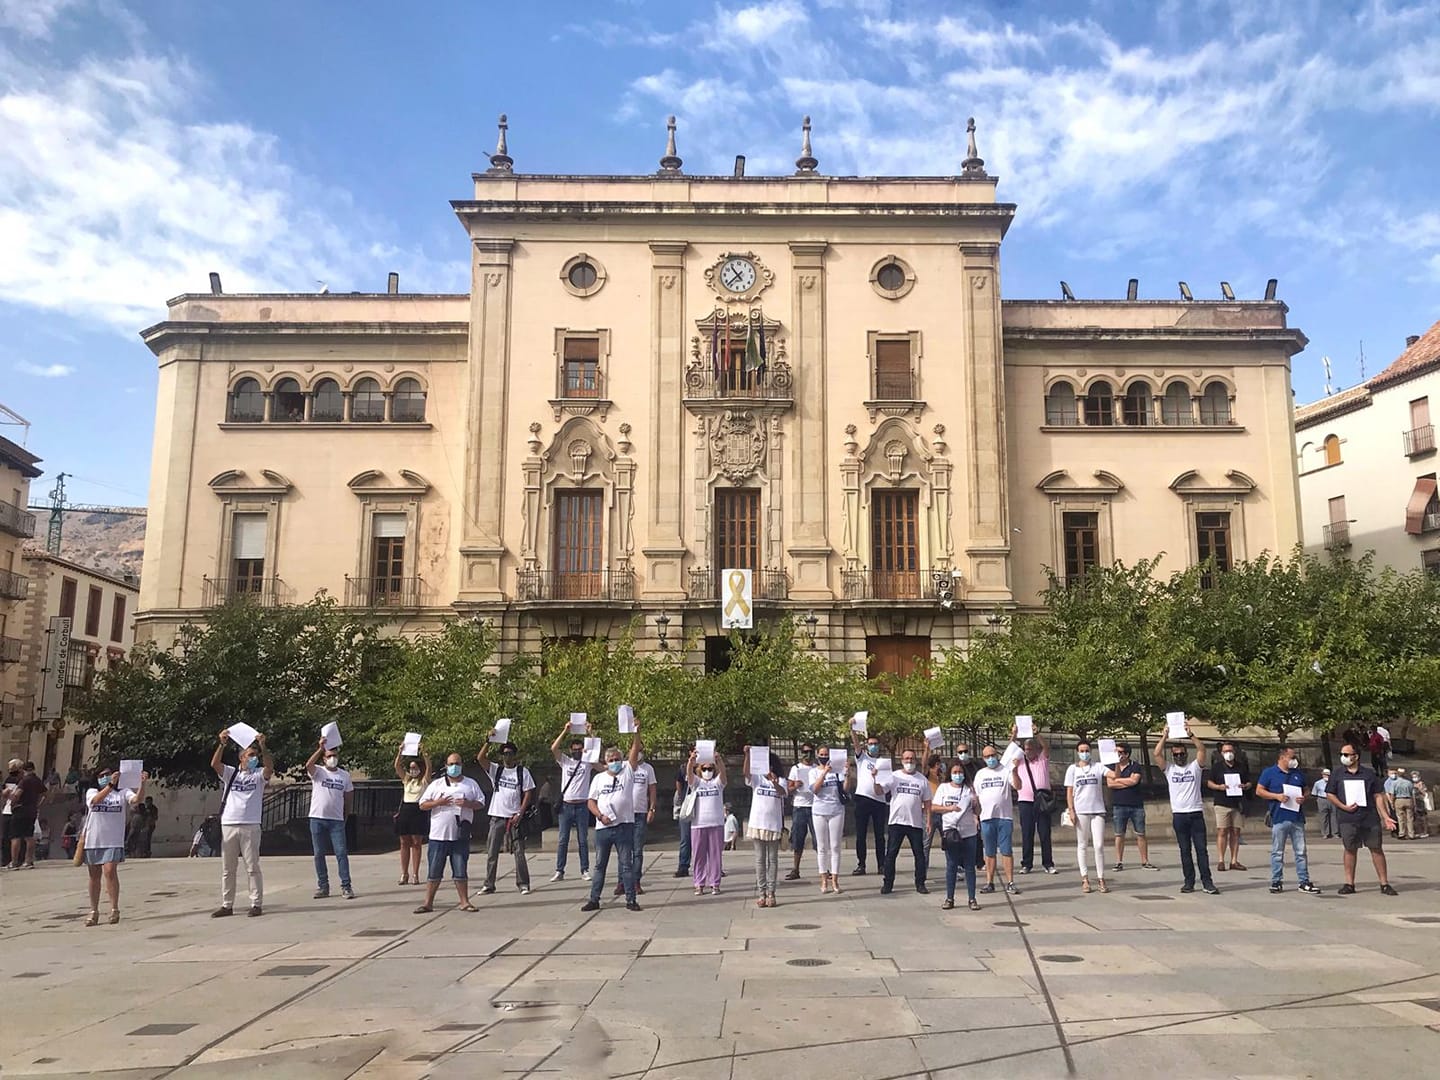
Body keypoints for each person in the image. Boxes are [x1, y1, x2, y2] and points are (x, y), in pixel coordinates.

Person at [210, 729, 273, 918]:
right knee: (228, 868)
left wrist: (263, 747)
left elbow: (269, 768)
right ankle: (227, 904)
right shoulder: (231, 774)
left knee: (252, 866)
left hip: (251, 824)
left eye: (255, 755)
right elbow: (215, 764)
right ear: (242, 758)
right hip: (229, 823)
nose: (254, 758)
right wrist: (222, 743)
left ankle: (256, 903)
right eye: (250, 755)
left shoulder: (259, 775)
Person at [582, 723, 644, 912]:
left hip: (624, 825)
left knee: (626, 864)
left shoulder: (627, 772)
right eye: (612, 760)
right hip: (604, 828)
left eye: (618, 759)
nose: (615, 762)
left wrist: (636, 732)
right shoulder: (599, 778)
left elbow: (635, 749)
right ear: (606, 761)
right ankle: (594, 898)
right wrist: (600, 816)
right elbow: (590, 801)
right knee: (600, 865)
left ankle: (630, 899)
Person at [1153, 719, 1219, 895]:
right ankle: (1188, 881)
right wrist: (1164, 736)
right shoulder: (1170, 770)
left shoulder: (1194, 768)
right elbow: (1157, 754)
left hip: (1195, 813)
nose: (1180, 757)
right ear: (1173, 756)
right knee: (1185, 850)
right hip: (1179, 815)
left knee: (1201, 850)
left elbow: (1202, 750)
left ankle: (1207, 881)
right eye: (1176, 755)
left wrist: (1190, 734)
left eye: (1182, 754)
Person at [414, 753, 486, 913]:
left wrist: (467, 804)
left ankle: (464, 902)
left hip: (459, 835)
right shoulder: (437, 784)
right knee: (434, 871)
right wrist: (438, 803)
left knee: (460, 869)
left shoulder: (470, 784)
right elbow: (422, 804)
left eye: (457, 763)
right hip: (438, 836)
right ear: (446, 766)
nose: (454, 766)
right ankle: (428, 903)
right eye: (451, 763)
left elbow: (481, 802)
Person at [80, 764, 148, 925]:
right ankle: (94, 910)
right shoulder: (92, 792)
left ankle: (114, 909)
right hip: (94, 839)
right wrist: (110, 785)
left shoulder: (122, 793)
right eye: (102, 775)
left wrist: (143, 784)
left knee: (110, 871)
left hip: (113, 840)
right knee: (94, 876)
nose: (106, 777)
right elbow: (95, 801)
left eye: (108, 774)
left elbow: (136, 800)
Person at [1327, 742, 1398, 895]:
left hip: (1369, 817)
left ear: (1356, 756)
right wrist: (1343, 806)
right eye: (1342, 755)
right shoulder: (1337, 774)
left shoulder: (1368, 774)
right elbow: (1330, 794)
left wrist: (1385, 816)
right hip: (1347, 817)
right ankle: (1349, 883)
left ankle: (1384, 883)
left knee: (1376, 849)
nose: (1343, 757)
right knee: (1350, 849)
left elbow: (1378, 795)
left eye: (1346, 754)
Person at [1255, 746, 1321, 895]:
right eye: (1291, 757)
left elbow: (1307, 789)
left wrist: (1304, 796)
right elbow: (1259, 790)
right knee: (1277, 851)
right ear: (1282, 757)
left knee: (1301, 851)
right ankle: (1276, 880)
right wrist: (1276, 796)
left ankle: (1304, 880)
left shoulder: (1298, 774)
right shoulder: (1269, 773)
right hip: (1279, 817)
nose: (1294, 760)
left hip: (1297, 817)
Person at [475, 738, 536, 895]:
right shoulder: (497, 770)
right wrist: (488, 741)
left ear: (515, 755)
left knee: (519, 852)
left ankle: (523, 883)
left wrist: (520, 813)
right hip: (497, 816)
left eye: (510, 754)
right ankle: (489, 884)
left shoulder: (522, 772)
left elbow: (528, 792)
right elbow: (480, 758)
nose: (507, 757)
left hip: (514, 817)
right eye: (504, 754)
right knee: (492, 852)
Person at [874, 747, 931, 896]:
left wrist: (929, 821)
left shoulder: (922, 779)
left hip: (915, 823)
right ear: (901, 760)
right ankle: (888, 883)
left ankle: (920, 883)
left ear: (916, 760)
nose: (909, 761)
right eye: (906, 759)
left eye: (912, 758)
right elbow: (880, 791)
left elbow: (928, 802)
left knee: (919, 855)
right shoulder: (894, 776)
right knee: (891, 854)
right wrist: (875, 779)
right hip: (896, 822)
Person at [305, 736, 356, 900]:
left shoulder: (344, 776)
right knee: (319, 853)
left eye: (334, 755)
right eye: (328, 756)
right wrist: (320, 748)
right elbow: (308, 765)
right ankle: (323, 885)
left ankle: (346, 886)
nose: (332, 759)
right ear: (324, 758)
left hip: (336, 820)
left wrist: (345, 815)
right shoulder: (319, 772)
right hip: (317, 817)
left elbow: (348, 797)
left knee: (341, 852)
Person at [550, 720, 596, 882]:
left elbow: (597, 753)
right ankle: (559, 870)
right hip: (566, 806)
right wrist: (565, 731)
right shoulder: (565, 761)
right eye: (574, 749)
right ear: (571, 750)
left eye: (579, 749)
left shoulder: (587, 763)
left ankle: (585, 869)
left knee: (582, 839)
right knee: (563, 840)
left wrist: (591, 732)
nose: (577, 752)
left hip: (582, 805)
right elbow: (553, 748)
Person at [934, 758, 981, 910]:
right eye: (955, 772)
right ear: (950, 773)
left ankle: (972, 898)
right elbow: (934, 807)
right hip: (951, 831)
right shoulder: (943, 788)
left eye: (960, 772)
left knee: (969, 866)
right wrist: (949, 809)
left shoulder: (969, 788)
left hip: (969, 832)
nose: (958, 775)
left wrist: (976, 803)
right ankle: (949, 898)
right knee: (951, 865)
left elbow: (978, 811)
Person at [975, 744, 1022, 895]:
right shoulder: (980, 774)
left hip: (1004, 817)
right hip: (986, 818)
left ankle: (1010, 882)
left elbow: (1018, 786)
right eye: (987, 756)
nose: (991, 758)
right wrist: (975, 816)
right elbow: (976, 797)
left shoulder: (1005, 770)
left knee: (1006, 851)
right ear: (983, 758)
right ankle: (989, 882)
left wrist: (1015, 771)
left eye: (993, 755)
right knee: (989, 852)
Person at [744, 745, 786, 907]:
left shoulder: (780, 780)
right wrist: (747, 755)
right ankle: (761, 893)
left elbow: (782, 793)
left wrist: (775, 782)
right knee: (759, 860)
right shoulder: (757, 779)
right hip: (757, 823)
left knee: (772, 860)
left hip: (773, 825)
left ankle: (771, 893)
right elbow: (746, 773)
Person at [1065, 739, 1109, 894]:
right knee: (1082, 844)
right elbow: (1069, 791)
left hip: (1097, 810)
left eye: (1087, 750)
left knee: (1099, 845)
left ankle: (1101, 877)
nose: (1085, 753)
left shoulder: (1098, 767)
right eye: (1082, 751)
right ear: (1078, 752)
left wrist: (1115, 761)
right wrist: (1071, 809)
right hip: (1081, 810)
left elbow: (1114, 775)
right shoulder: (1072, 769)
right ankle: (1084, 878)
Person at [1107, 743, 1158, 871]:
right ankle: (1119, 861)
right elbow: (1110, 784)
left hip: (1136, 805)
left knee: (1140, 834)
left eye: (1120, 752)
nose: (1117, 755)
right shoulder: (1111, 766)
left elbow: (1134, 781)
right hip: (1119, 805)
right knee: (1119, 834)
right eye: (1116, 752)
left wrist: (1118, 780)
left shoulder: (1135, 766)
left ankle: (1145, 861)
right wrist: (1124, 780)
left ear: (1126, 754)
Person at [1015, 728, 1056, 875]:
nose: (1028, 751)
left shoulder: (1042, 759)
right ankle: (1026, 863)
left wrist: (1037, 733)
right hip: (1025, 801)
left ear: (1035, 749)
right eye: (1026, 749)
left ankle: (1048, 863)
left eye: (1030, 749)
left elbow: (1046, 746)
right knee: (1027, 833)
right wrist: (1014, 735)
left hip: (1042, 800)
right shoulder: (1019, 762)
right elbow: (1010, 749)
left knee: (1044, 833)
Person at [687, 749, 728, 894]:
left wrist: (719, 760)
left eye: (710, 768)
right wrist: (691, 762)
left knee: (715, 855)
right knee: (698, 855)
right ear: (700, 770)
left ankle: (715, 883)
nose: (707, 771)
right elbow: (690, 776)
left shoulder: (717, 783)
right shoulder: (697, 783)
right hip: (698, 824)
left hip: (716, 823)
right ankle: (699, 883)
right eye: (704, 769)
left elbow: (723, 775)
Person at [618, 748, 657, 896]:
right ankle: (621, 881)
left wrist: (652, 809)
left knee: (638, 851)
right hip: (624, 814)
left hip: (640, 813)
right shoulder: (623, 766)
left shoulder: (648, 769)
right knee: (623, 850)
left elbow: (652, 789)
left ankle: (636, 881)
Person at [849, 730, 888, 875]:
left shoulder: (883, 762)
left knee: (879, 835)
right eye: (871, 744)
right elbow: (856, 744)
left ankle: (881, 865)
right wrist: (852, 730)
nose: (873, 746)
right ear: (867, 746)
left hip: (879, 800)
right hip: (862, 799)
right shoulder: (862, 758)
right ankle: (861, 864)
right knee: (861, 834)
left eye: (875, 744)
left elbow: (887, 781)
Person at [810, 747, 848, 893]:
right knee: (822, 847)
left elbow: (844, 789)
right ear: (817, 755)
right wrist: (824, 772)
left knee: (835, 846)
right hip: (819, 811)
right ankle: (823, 880)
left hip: (836, 810)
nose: (824, 757)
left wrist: (847, 775)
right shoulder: (813, 772)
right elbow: (815, 789)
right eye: (822, 754)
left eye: (826, 754)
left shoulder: (837, 771)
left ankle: (835, 880)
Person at [394, 741, 431, 885]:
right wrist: (400, 752)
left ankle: (415, 873)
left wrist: (424, 752)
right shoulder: (406, 780)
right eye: (410, 768)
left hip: (418, 811)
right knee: (404, 842)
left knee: (416, 843)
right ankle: (404, 873)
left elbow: (429, 766)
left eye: (415, 768)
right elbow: (397, 766)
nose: (412, 770)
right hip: (405, 811)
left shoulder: (424, 781)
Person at [784, 743, 818, 880]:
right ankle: (796, 869)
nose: (807, 754)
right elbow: (788, 788)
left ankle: (824, 869)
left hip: (815, 806)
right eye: (805, 752)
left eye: (810, 752)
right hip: (799, 806)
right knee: (798, 839)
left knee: (818, 839)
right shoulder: (796, 768)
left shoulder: (817, 768)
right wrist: (795, 786)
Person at [7, 761, 47, 869]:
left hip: (20, 810)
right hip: (32, 810)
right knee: (29, 836)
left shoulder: (24, 781)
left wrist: (11, 799)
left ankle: (14, 862)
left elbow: (17, 794)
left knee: (16, 836)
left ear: (24, 770)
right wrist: (38, 804)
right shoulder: (37, 780)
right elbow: (44, 794)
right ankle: (28, 861)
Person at [672, 764, 692, 879]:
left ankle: (714, 867)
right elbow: (679, 782)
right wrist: (681, 796)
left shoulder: (707, 765)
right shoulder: (684, 767)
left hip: (703, 809)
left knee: (706, 841)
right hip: (687, 807)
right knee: (685, 839)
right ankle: (683, 866)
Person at [1391, 770, 1416, 840]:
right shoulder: (1409, 783)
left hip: (1399, 800)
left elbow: (1392, 794)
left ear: (1398, 774)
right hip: (1408, 799)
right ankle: (1411, 834)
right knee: (1410, 818)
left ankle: (1402, 833)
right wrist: (1414, 803)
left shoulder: (1394, 783)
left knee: (1400, 818)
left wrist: (1392, 803)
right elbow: (1412, 794)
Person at [1312, 768, 1334, 839]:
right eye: (1325, 774)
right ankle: (1325, 833)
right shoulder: (1317, 783)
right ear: (1322, 775)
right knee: (1323, 817)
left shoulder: (1333, 782)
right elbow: (1314, 793)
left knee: (1334, 816)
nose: (1326, 776)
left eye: (1328, 775)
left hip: (1332, 799)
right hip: (1322, 799)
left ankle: (1335, 833)